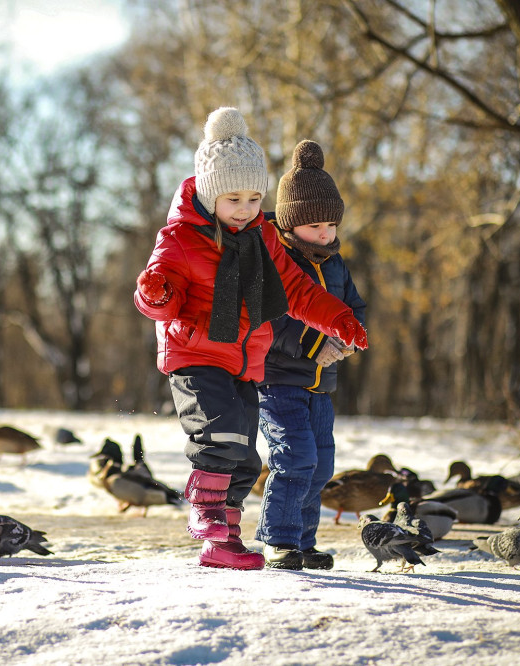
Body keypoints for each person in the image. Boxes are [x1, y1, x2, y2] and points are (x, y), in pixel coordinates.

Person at [134, 108, 368, 570]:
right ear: (208, 192)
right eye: (233, 198)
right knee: (218, 434)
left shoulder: (263, 238)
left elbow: (298, 291)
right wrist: (156, 293)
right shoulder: (180, 238)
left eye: (254, 198)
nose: (245, 208)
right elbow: (159, 294)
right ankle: (205, 514)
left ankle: (224, 542)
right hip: (196, 354)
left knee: (243, 455)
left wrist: (336, 317)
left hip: (246, 361)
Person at [255, 140, 366, 571]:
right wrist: (315, 343)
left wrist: (351, 336)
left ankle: (301, 540)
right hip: (279, 380)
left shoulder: (335, 264)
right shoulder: (277, 261)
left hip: (321, 386)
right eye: (315, 226)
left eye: (331, 225)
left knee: (320, 466)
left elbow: (353, 307)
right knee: (294, 457)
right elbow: (271, 320)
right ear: (289, 223)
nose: (325, 234)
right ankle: (277, 540)